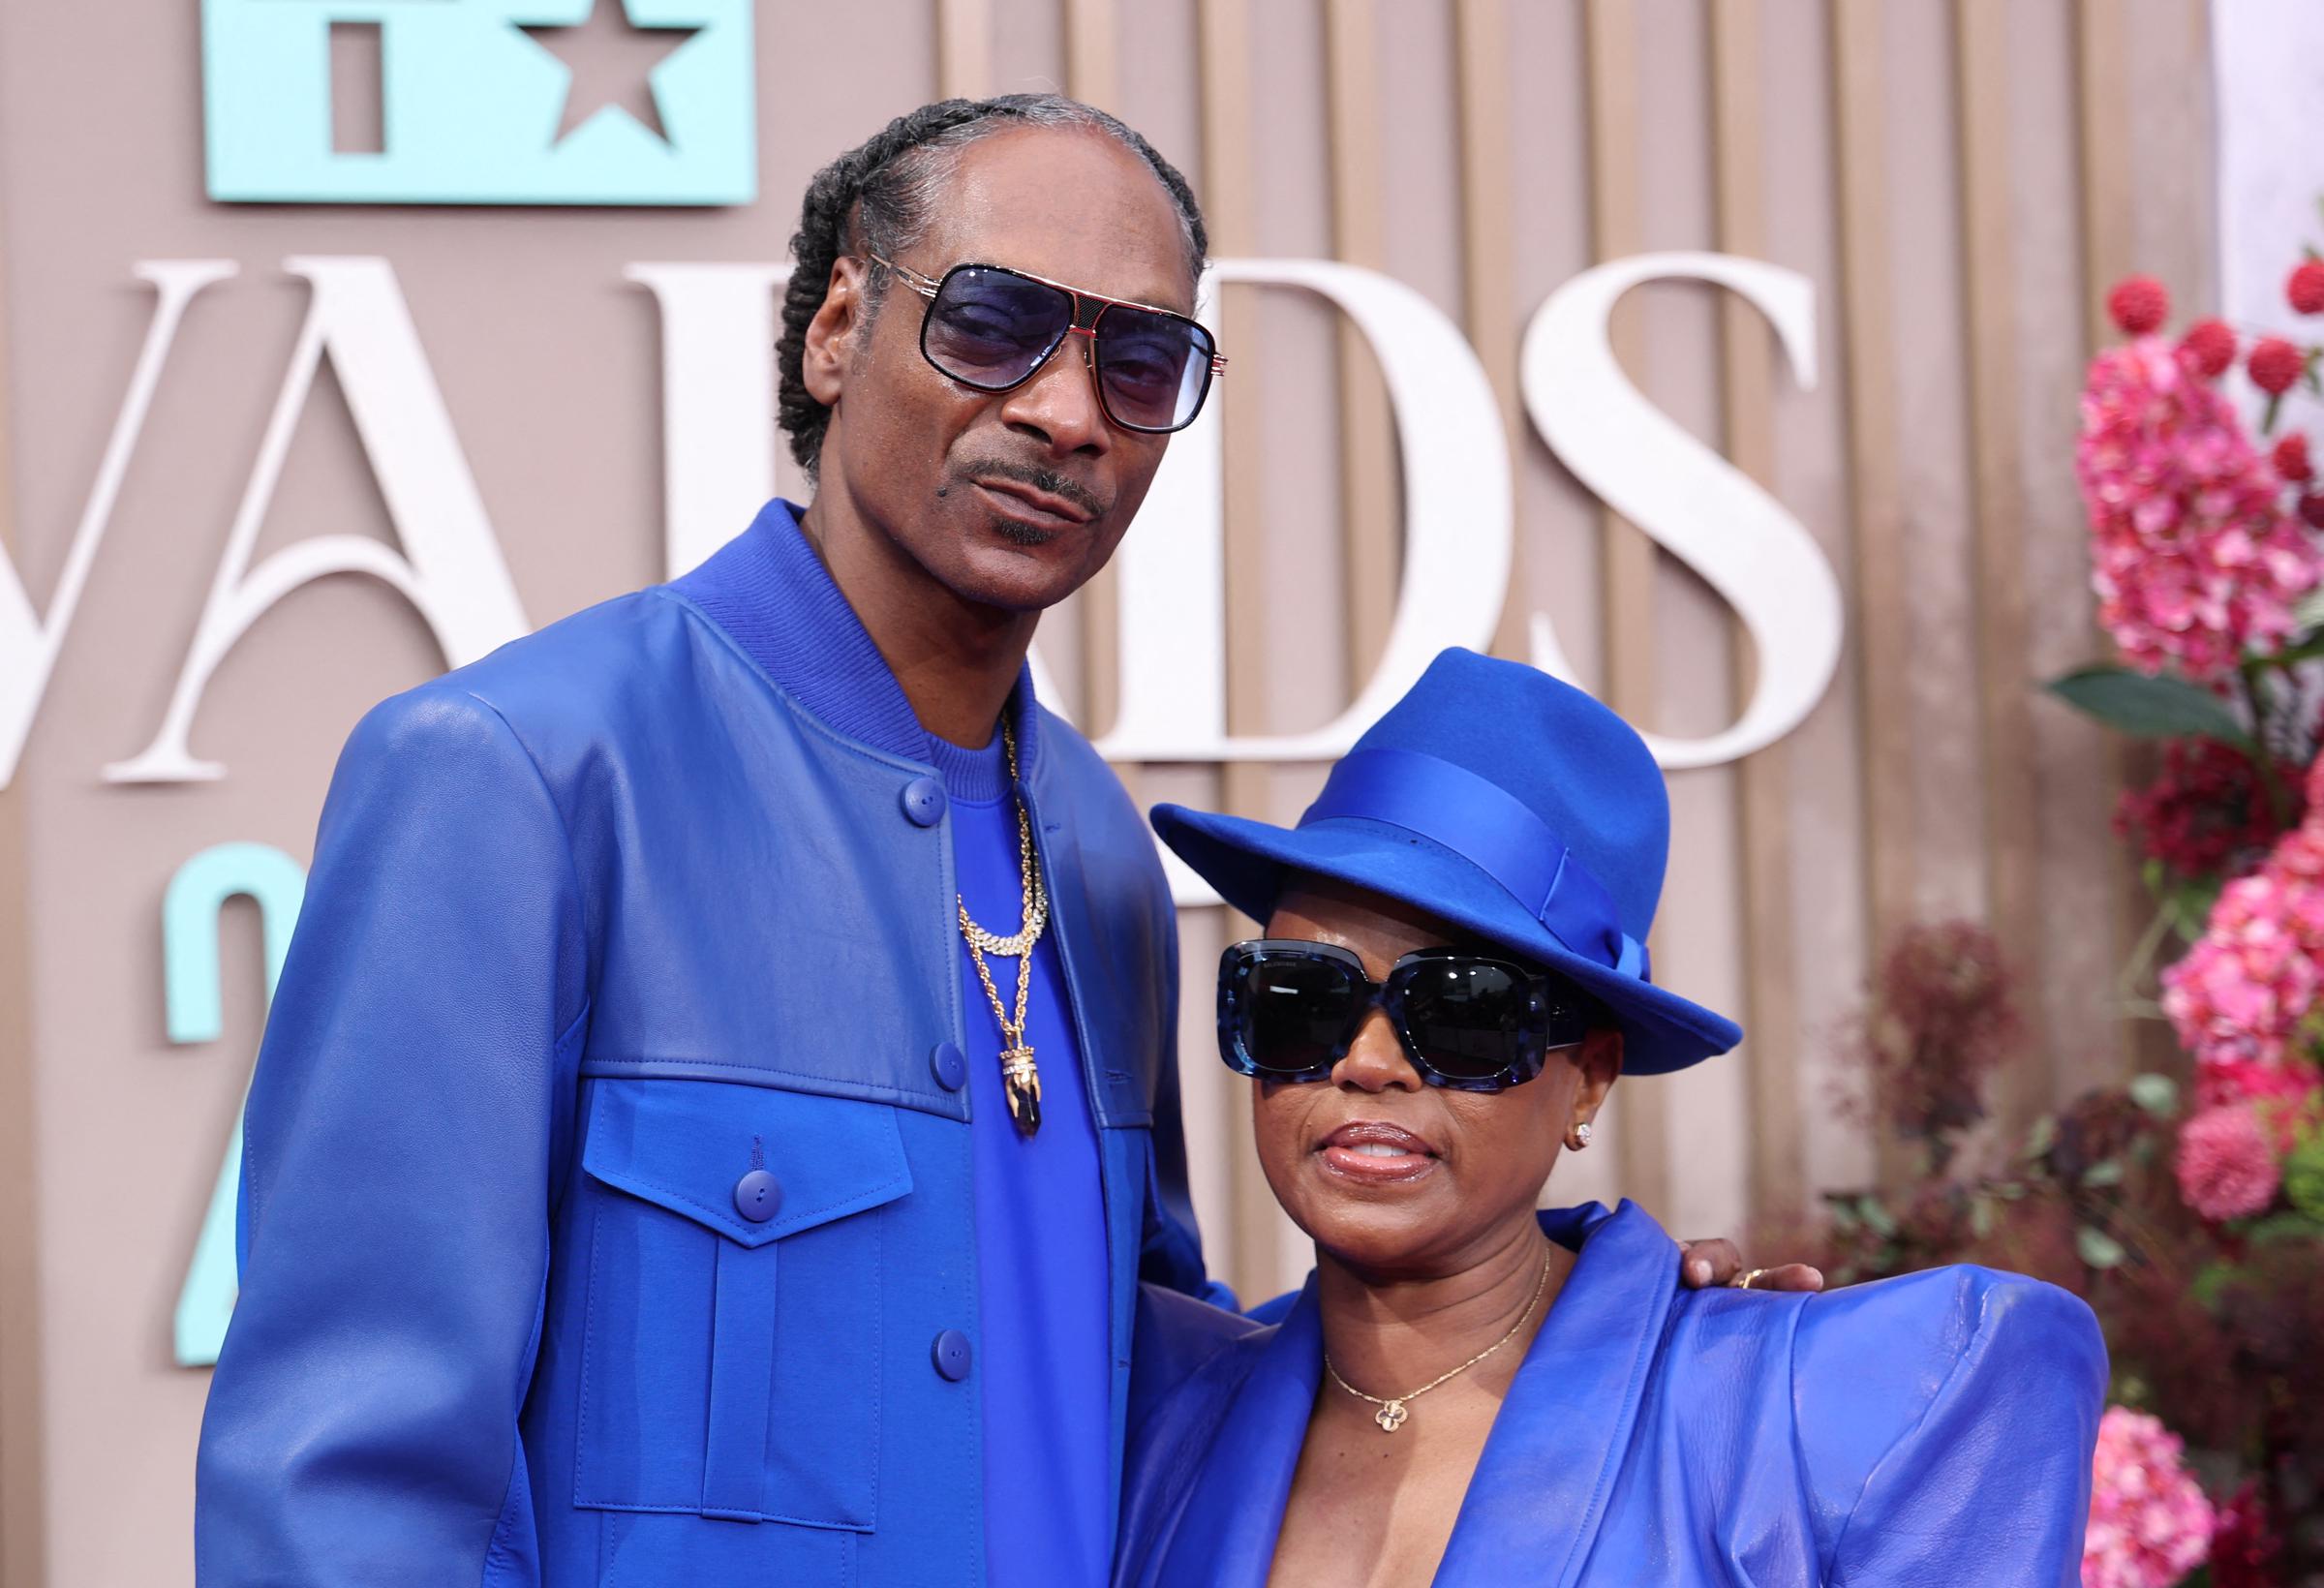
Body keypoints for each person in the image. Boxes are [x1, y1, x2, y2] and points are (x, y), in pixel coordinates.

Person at [196, 96, 1808, 1587]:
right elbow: (342, 1495)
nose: (1066, 412)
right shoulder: (521, 778)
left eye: (1140, 364)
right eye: (990, 323)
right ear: (839, 325)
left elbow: (1145, 1386)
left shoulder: (1095, 851)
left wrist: (1598, 1345)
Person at [1118, 648, 2108, 1588]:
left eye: (1463, 1013)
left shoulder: (1862, 1412)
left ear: (1589, 1079)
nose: (1367, 1063)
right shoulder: (1145, 1419)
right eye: (1300, 999)